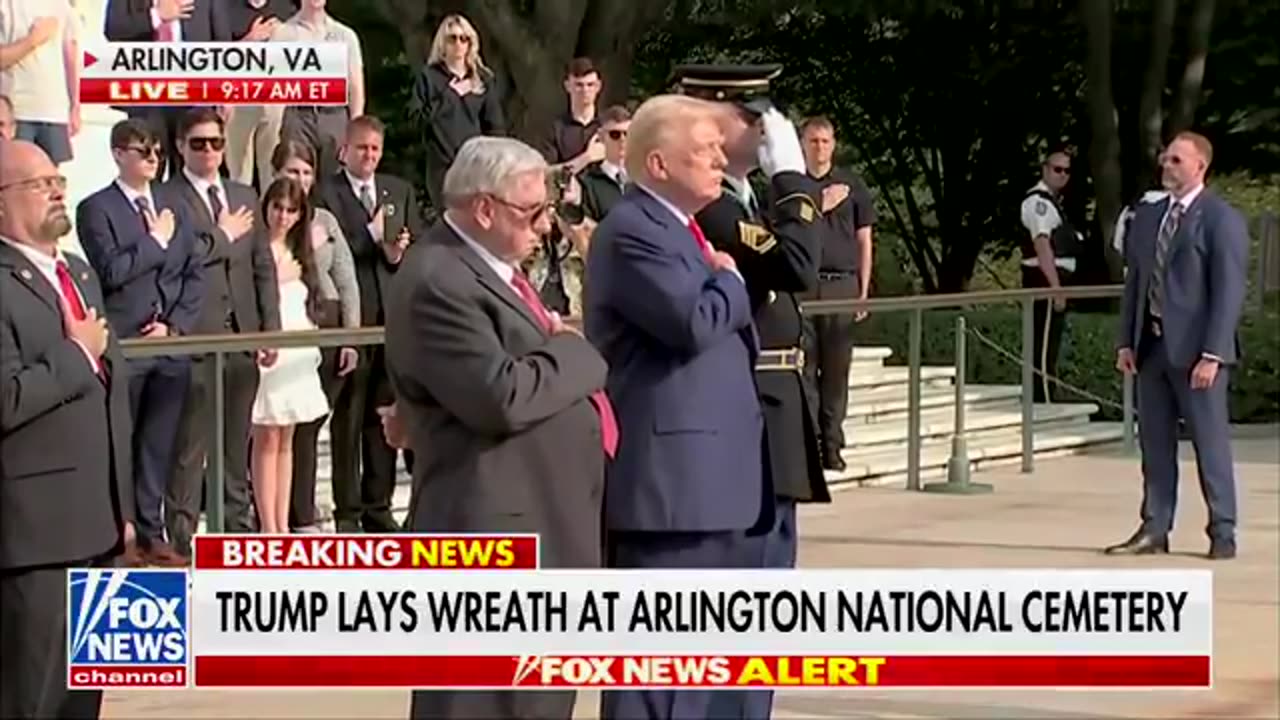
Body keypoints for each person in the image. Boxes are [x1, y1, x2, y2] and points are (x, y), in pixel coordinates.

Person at [382, 136, 614, 719]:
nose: (545, 227)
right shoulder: (441, 279)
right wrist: (579, 354)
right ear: (484, 208)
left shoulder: (493, 267)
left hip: (538, 527)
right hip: (490, 542)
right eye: (532, 213)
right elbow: (502, 395)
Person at [583, 94, 763, 720]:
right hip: (671, 490)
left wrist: (719, 275)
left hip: (709, 487)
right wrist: (731, 280)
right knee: (657, 674)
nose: (721, 158)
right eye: (705, 150)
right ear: (658, 163)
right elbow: (691, 321)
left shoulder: (683, 229)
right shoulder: (635, 230)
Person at [677, 64, 829, 582]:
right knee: (752, 569)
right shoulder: (710, 203)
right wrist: (793, 181)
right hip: (749, 396)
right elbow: (798, 268)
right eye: (751, 118)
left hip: (777, 394)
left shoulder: (743, 197)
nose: (764, 130)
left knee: (776, 558)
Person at [0, 139, 133, 719]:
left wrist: (124, 508)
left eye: (58, 179)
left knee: (83, 707)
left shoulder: (78, 271)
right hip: (35, 542)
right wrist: (74, 357)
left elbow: (111, 396)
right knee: (31, 702)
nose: (57, 189)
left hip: (100, 531)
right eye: (39, 183)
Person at [1107, 131, 1248, 561]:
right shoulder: (1148, 217)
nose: (1167, 167)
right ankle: (1155, 526)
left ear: (1200, 166)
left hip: (1197, 356)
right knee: (1154, 444)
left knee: (1210, 443)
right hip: (1151, 350)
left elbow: (1228, 291)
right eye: (1166, 160)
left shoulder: (1220, 219)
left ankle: (1222, 530)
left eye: (1176, 161)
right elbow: (1135, 282)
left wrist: (1214, 353)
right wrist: (1126, 341)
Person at [75, 118, 204, 565]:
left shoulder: (174, 205)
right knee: (120, 444)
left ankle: (152, 532)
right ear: (117, 154)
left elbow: (194, 272)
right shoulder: (96, 208)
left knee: (159, 445)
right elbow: (111, 271)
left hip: (168, 345)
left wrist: (175, 326)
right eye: (142, 151)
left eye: (156, 152)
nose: (152, 159)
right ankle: (119, 535)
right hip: (126, 344)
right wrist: (153, 240)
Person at [165, 107, 280, 548]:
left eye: (215, 142)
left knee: (237, 442)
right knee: (190, 446)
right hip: (196, 335)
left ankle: (236, 533)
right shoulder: (168, 197)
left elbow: (262, 265)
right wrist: (221, 233)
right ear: (181, 147)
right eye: (199, 143)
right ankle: (180, 538)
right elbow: (175, 257)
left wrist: (268, 328)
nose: (210, 151)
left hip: (242, 336)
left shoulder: (244, 194)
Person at [314, 115, 419, 532]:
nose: (370, 156)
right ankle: (348, 511)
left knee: (382, 416)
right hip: (351, 321)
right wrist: (370, 238)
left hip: (392, 321)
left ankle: (379, 507)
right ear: (345, 149)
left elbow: (415, 245)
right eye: (362, 149)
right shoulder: (327, 193)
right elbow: (328, 253)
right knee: (348, 419)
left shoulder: (399, 191)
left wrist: (396, 252)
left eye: (375, 149)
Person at [270, 139, 360, 532]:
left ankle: (301, 510)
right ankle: (291, 514)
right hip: (287, 323)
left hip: (329, 318)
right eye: (293, 171)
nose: (301, 179)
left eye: (307, 172)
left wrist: (352, 336)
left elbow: (347, 277)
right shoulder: (270, 215)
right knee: (286, 423)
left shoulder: (326, 219)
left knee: (311, 418)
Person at [250, 177, 330, 534]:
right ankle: (268, 525)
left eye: (291, 209)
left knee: (287, 439)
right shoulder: (255, 249)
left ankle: (282, 525)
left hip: (298, 351)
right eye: (277, 207)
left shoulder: (301, 253)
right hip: (269, 351)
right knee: (266, 436)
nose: (283, 216)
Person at [798, 116, 876, 472]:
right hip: (803, 285)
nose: (820, 148)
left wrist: (863, 289)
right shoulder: (792, 185)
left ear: (834, 144)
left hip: (840, 283)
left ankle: (832, 443)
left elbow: (864, 238)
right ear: (803, 144)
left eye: (825, 141)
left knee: (836, 370)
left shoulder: (852, 184)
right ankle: (811, 440)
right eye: (813, 141)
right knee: (805, 366)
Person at [409, 13, 505, 212]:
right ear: (442, 44)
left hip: (475, 166)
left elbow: (495, 126)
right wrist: (449, 96)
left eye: (464, 38)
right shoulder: (429, 77)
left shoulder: (483, 79)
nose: (459, 44)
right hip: (442, 167)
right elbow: (416, 121)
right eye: (452, 38)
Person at [1018, 148, 1082, 403]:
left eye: (1067, 170)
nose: (1062, 175)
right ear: (1045, 169)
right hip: (1043, 278)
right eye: (1057, 169)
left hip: (1054, 277)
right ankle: (1041, 398)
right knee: (1043, 347)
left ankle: (1045, 395)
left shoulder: (1054, 203)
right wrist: (1056, 288)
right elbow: (1042, 245)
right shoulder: (1039, 203)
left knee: (1050, 344)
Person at [0, 0, 81, 165]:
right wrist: (33, 39)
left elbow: (70, 55)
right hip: (15, 112)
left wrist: (75, 105)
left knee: (49, 181)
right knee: (15, 177)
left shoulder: (62, 5)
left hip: (54, 112)